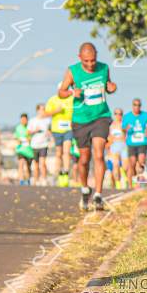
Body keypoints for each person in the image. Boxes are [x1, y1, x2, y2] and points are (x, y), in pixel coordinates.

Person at [58, 43, 117, 211]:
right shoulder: (73, 71)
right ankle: (85, 189)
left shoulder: (104, 68)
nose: (90, 64)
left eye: (93, 60)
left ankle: (98, 195)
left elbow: (108, 86)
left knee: (99, 154)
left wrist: (112, 88)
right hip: (81, 120)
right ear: (80, 58)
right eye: (86, 61)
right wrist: (71, 92)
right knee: (84, 159)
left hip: (101, 117)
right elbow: (61, 92)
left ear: (96, 56)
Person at [45, 84, 74, 187]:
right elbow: (46, 113)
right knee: (58, 153)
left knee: (66, 151)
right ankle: (58, 173)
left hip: (68, 129)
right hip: (56, 130)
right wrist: (56, 111)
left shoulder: (71, 99)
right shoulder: (53, 100)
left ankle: (66, 172)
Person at [122, 98, 147, 188]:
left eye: (139, 105)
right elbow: (123, 129)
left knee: (141, 162)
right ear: (132, 106)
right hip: (131, 143)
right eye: (135, 105)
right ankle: (130, 185)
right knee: (132, 164)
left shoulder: (145, 115)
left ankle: (139, 183)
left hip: (142, 142)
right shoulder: (127, 116)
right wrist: (126, 129)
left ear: (140, 106)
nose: (137, 107)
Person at [27, 103, 53, 185]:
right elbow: (28, 132)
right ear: (37, 110)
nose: (43, 111)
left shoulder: (48, 120)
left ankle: (44, 179)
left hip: (44, 144)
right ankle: (36, 180)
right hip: (34, 145)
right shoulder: (32, 120)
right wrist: (35, 130)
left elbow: (51, 130)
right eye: (41, 109)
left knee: (42, 163)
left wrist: (50, 133)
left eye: (44, 109)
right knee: (36, 164)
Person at [106, 108, 128, 189]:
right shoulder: (111, 125)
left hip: (123, 146)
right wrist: (108, 149)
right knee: (115, 165)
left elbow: (127, 136)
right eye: (116, 113)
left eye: (120, 114)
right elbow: (109, 138)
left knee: (125, 167)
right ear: (114, 114)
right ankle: (118, 184)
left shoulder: (124, 124)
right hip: (114, 147)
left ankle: (124, 177)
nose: (118, 115)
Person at [14, 113, 34, 185]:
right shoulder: (18, 128)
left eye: (25, 120)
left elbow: (32, 138)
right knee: (21, 164)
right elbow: (16, 137)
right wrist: (18, 140)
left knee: (28, 167)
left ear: (27, 120)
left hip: (29, 151)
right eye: (22, 120)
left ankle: (28, 179)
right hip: (21, 149)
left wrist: (29, 138)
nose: (23, 121)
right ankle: (21, 180)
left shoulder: (30, 127)